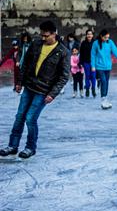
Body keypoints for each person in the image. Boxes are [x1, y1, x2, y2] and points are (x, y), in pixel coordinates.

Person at [0, 20, 70, 159]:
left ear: (54, 34)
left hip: (43, 91)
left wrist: (52, 94)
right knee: (20, 116)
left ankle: (30, 147)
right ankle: (12, 146)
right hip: (29, 87)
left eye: (46, 36)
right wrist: (19, 82)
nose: (43, 38)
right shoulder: (36, 44)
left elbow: (64, 76)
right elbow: (25, 64)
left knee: (30, 118)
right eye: (42, 35)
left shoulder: (62, 52)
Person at [90, 29, 117, 109]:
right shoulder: (96, 43)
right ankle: (103, 99)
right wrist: (93, 66)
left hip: (108, 66)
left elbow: (114, 50)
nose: (107, 39)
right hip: (99, 66)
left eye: (108, 37)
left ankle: (105, 98)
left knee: (106, 82)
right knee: (103, 81)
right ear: (101, 36)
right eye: (105, 37)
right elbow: (93, 55)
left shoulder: (110, 42)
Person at [79, 29, 96, 97]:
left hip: (93, 63)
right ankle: (87, 90)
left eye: (90, 34)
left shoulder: (95, 43)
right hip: (86, 62)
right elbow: (81, 53)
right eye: (88, 34)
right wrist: (81, 62)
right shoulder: (83, 43)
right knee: (87, 76)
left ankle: (93, 90)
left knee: (93, 76)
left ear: (92, 35)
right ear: (86, 35)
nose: (89, 35)